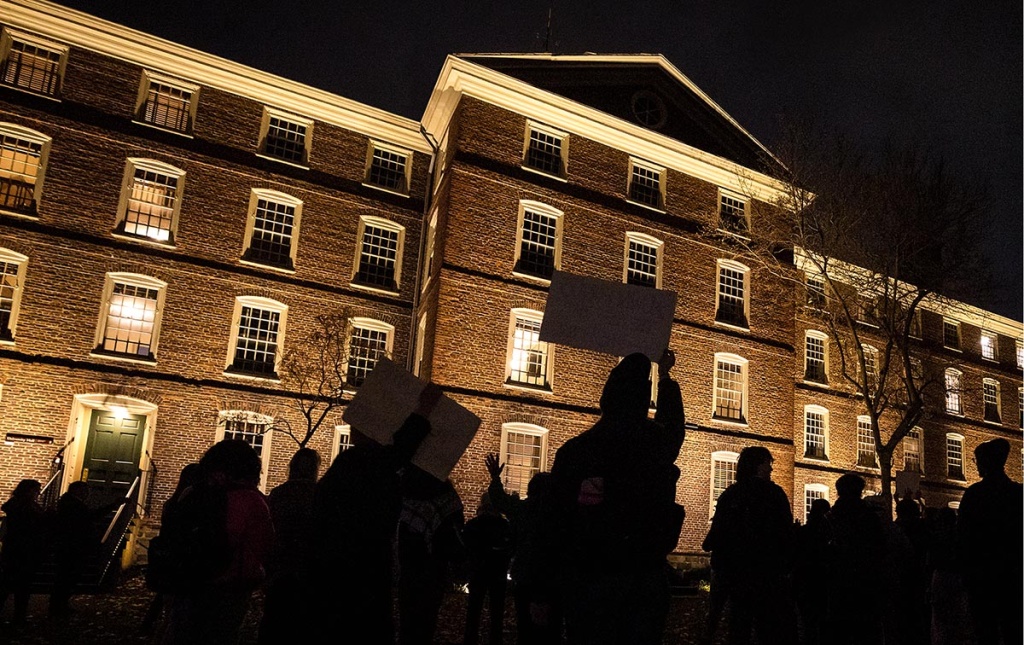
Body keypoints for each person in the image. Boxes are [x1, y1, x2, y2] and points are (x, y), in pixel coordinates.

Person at [547, 348, 686, 645]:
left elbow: (555, 525)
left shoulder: (575, 451)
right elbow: (673, 426)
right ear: (641, 401)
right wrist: (665, 378)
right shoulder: (654, 445)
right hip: (642, 575)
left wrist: (543, 591)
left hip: (589, 578)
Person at [312, 409, 432, 645]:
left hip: (342, 566)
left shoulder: (348, 465)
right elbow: (399, 451)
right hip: (365, 564)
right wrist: (422, 413)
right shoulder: (364, 464)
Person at [161, 440, 274, 645]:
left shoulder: (192, 494)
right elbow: (263, 545)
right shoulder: (254, 501)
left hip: (190, 579)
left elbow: (172, 532)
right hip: (231, 586)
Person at [700, 446, 796, 645]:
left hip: (736, 570)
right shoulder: (774, 494)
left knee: (739, 623)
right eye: (767, 464)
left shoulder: (730, 494)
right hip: (765, 571)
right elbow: (785, 533)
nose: (770, 469)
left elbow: (718, 531)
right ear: (758, 465)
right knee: (766, 625)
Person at [485, 454, 562, 645]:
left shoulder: (524, 510)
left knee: (526, 628)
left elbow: (500, 500)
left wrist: (495, 478)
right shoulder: (559, 514)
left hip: (526, 575)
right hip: (551, 578)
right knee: (551, 630)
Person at [957, 438, 1023, 645]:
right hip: (1013, 576)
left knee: (986, 633)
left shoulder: (974, 495)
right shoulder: (1018, 494)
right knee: (1014, 630)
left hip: (983, 578)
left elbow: (963, 538)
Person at [396, 466, 465, 645]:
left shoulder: (404, 491)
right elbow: (454, 535)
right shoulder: (447, 498)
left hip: (409, 565)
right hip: (434, 569)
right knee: (426, 620)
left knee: (407, 620)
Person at [258, 447, 320, 645]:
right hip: (308, 570)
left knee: (274, 624)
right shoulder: (320, 495)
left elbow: (269, 531)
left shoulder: (278, 494)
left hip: (280, 568)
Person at [824, 473, 885, 645]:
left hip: (838, 582)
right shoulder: (869, 517)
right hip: (866, 583)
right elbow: (879, 549)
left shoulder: (830, 517)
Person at [143, 463, 200, 634]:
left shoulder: (171, 502)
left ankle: (149, 625)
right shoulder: (190, 498)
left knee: (165, 597)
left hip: (169, 555)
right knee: (175, 610)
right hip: (180, 557)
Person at [49, 481, 120, 618]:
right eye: (84, 491)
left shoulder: (69, 503)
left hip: (72, 547)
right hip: (72, 548)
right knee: (66, 577)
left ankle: (60, 605)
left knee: (66, 578)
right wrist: (113, 505)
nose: (87, 494)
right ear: (77, 491)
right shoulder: (72, 505)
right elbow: (89, 517)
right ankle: (57, 607)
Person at [462, 491, 513, 645]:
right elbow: (510, 547)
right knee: (496, 612)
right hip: (498, 572)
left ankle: (470, 639)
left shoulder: (473, 525)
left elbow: (466, 547)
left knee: (474, 609)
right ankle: (495, 639)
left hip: (478, 571)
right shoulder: (505, 526)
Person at [0, 479, 46, 626]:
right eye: (36, 490)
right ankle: (18, 618)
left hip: (20, 550)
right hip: (21, 551)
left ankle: (19, 616)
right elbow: (29, 526)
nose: (38, 493)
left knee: (15, 585)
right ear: (28, 490)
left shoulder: (22, 505)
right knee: (15, 585)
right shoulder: (23, 507)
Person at [793, 498, 831, 645]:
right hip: (819, 578)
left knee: (808, 619)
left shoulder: (804, 531)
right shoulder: (827, 530)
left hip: (805, 579)